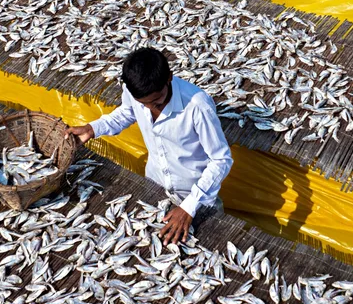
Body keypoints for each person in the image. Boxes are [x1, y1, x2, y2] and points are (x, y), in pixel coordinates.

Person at [67, 47, 233, 245]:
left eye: (157, 101)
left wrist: (189, 206)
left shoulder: (197, 105)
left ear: (169, 78)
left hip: (196, 196)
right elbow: (126, 113)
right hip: (155, 185)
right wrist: (92, 129)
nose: (150, 108)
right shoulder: (134, 90)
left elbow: (221, 159)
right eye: (143, 103)